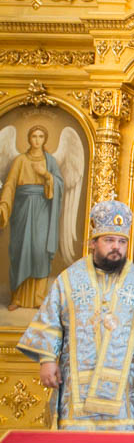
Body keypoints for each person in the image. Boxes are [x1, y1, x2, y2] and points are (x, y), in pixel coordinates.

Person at [18, 200, 134, 430]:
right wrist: (47, 360)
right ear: (93, 243)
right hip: (76, 387)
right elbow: (51, 320)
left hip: (124, 391)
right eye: (109, 240)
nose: (116, 248)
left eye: (122, 242)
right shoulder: (69, 279)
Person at [0, 126, 65, 311]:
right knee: (21, 251)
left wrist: (46, 174)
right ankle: (18, 297)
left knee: (39, 251)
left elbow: (59, 184)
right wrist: (4, 205)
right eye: (34, 136)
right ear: (29, 138)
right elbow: (10, 184)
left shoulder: (49, 161)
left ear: (45, 139)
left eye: (41, 136)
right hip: (22, 209)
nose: (37, 140)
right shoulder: (20, 160)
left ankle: (38, 297)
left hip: (43, 210)